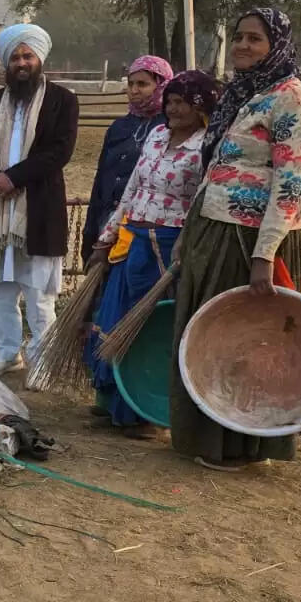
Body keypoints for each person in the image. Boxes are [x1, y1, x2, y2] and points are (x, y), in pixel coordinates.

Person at [170, 7, 301, 470]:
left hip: (252, 241)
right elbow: (215, 169)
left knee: (246, 343)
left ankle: (240, 446)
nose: (242, 46)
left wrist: (263, 256)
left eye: (255, 38)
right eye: (238, 37)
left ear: (277, 45)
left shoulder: (293, 100)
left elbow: (290, 183)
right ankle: (209, 439)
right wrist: (191, 230)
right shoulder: (243, 95)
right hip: (215, 231)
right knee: (209, 339)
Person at [84, 70, 218, 432]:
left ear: (201, 107)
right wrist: (107, 237)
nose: (172, 109)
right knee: (116, 319)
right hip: (133, 241)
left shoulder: (206, 146)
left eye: (181, 103)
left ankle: (141, 414)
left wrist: (185, 248)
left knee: (148, 327)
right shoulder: (158, 136)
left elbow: (199, 203)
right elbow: (132, 191)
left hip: (169, 247)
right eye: (170, 101)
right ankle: (112, 401)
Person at [0, 23, 79, 374]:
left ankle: (43, 359)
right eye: (15, 57)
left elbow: (60, 151)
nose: (21, 63)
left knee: (38, 290)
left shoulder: (62, 100)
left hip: (39, 206)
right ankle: (6, 352)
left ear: (39, 59)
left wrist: (14, 177)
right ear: (6, 62)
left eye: (27, 55)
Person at [81, 54, 174, 262]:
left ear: (162, 85)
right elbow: (101, 180)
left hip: (143, 225)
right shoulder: (119, 127)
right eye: (131, 83)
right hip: (107, 218)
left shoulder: (170, 127)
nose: (134, 90)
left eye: (143, 84)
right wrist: (90, 230)